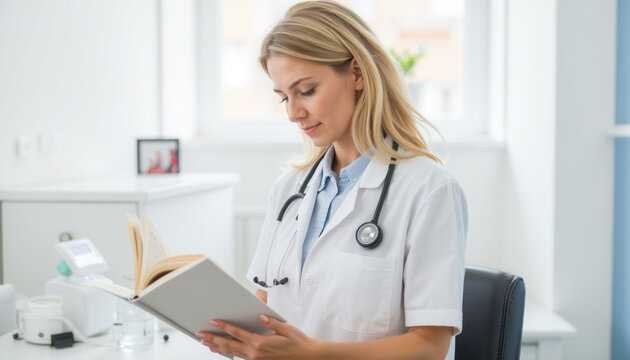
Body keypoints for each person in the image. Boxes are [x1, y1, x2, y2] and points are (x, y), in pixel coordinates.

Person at [196, 1, 467, 359]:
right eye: (284, 98)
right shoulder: (288, 190)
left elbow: (431, 346)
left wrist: (313, 355)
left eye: (306, 91)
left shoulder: (430, 191)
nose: (294, 113)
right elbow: (264, 311)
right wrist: (235, 337)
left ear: (357, 74)